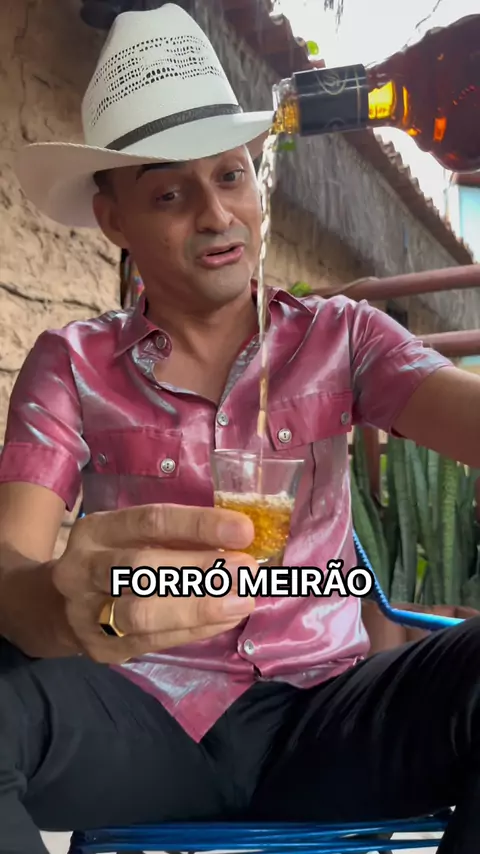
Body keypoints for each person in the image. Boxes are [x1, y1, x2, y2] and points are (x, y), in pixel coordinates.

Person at [2, 4, 480, 852]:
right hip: (142, 717)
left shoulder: (344, 338)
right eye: (169, 193)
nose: (217, 215)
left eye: (231, 176)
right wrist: (66, 608)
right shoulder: (72, 363)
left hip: (328, 719)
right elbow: (10, 569)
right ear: (113, 219)